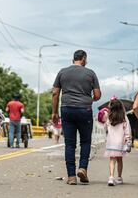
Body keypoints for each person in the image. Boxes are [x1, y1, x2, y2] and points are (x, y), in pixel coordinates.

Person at [52, 50, 102, 185]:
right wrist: (88, 99)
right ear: (84, 59)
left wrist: (54, 112)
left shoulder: (62, 72)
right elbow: (97, 95)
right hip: (84, 110)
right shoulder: (90, 73)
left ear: (73, 59)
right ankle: (83, 168)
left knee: (70, 144)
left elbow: (55, 93)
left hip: (67, 109)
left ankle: (71, 176)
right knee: (85, 142)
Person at [101, 97, 132, 186]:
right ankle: (119, 177)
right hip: (120, 144)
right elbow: (127, 131)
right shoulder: (124, 118)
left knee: (112, 160)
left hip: (111, 143)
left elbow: (105, 128)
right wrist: (128, 139)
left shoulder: (109, 118)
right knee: (119, 161)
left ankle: (111, 177)